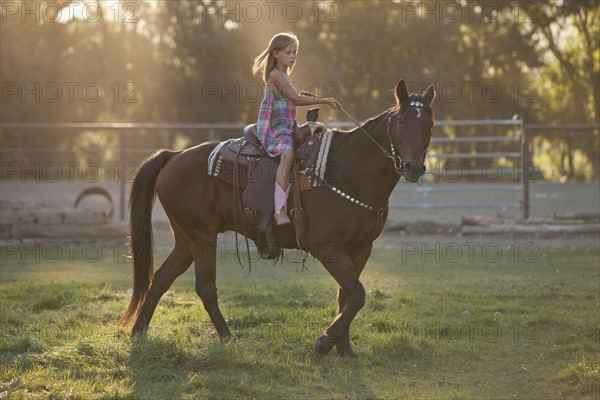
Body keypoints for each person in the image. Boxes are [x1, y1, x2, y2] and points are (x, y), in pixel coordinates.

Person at [252, 32, 341, 225]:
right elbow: (295, 99)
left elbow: (291, 96)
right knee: (288, 154)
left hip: (287, 125)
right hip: (276, 127)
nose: (293, 57)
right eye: (288, 52)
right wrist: (324, 99)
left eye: (295, 52)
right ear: (275, 53)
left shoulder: (283, 76)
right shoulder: (276, 75)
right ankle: (280, 211)